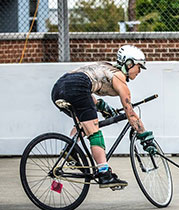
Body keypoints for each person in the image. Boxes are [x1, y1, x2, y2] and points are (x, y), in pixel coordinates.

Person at [51, 45, 156, 188]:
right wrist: (145, 136)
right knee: (95, 133)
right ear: (129, 63)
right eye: (139, 66)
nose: (140, 71)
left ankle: (70, 150)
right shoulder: (119, 77)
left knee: (83, 125)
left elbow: (81, 85)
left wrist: (102, 106)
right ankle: (104, 173)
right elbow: (130, 113)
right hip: (77, 87)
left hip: (58, 88)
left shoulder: (106, 68)